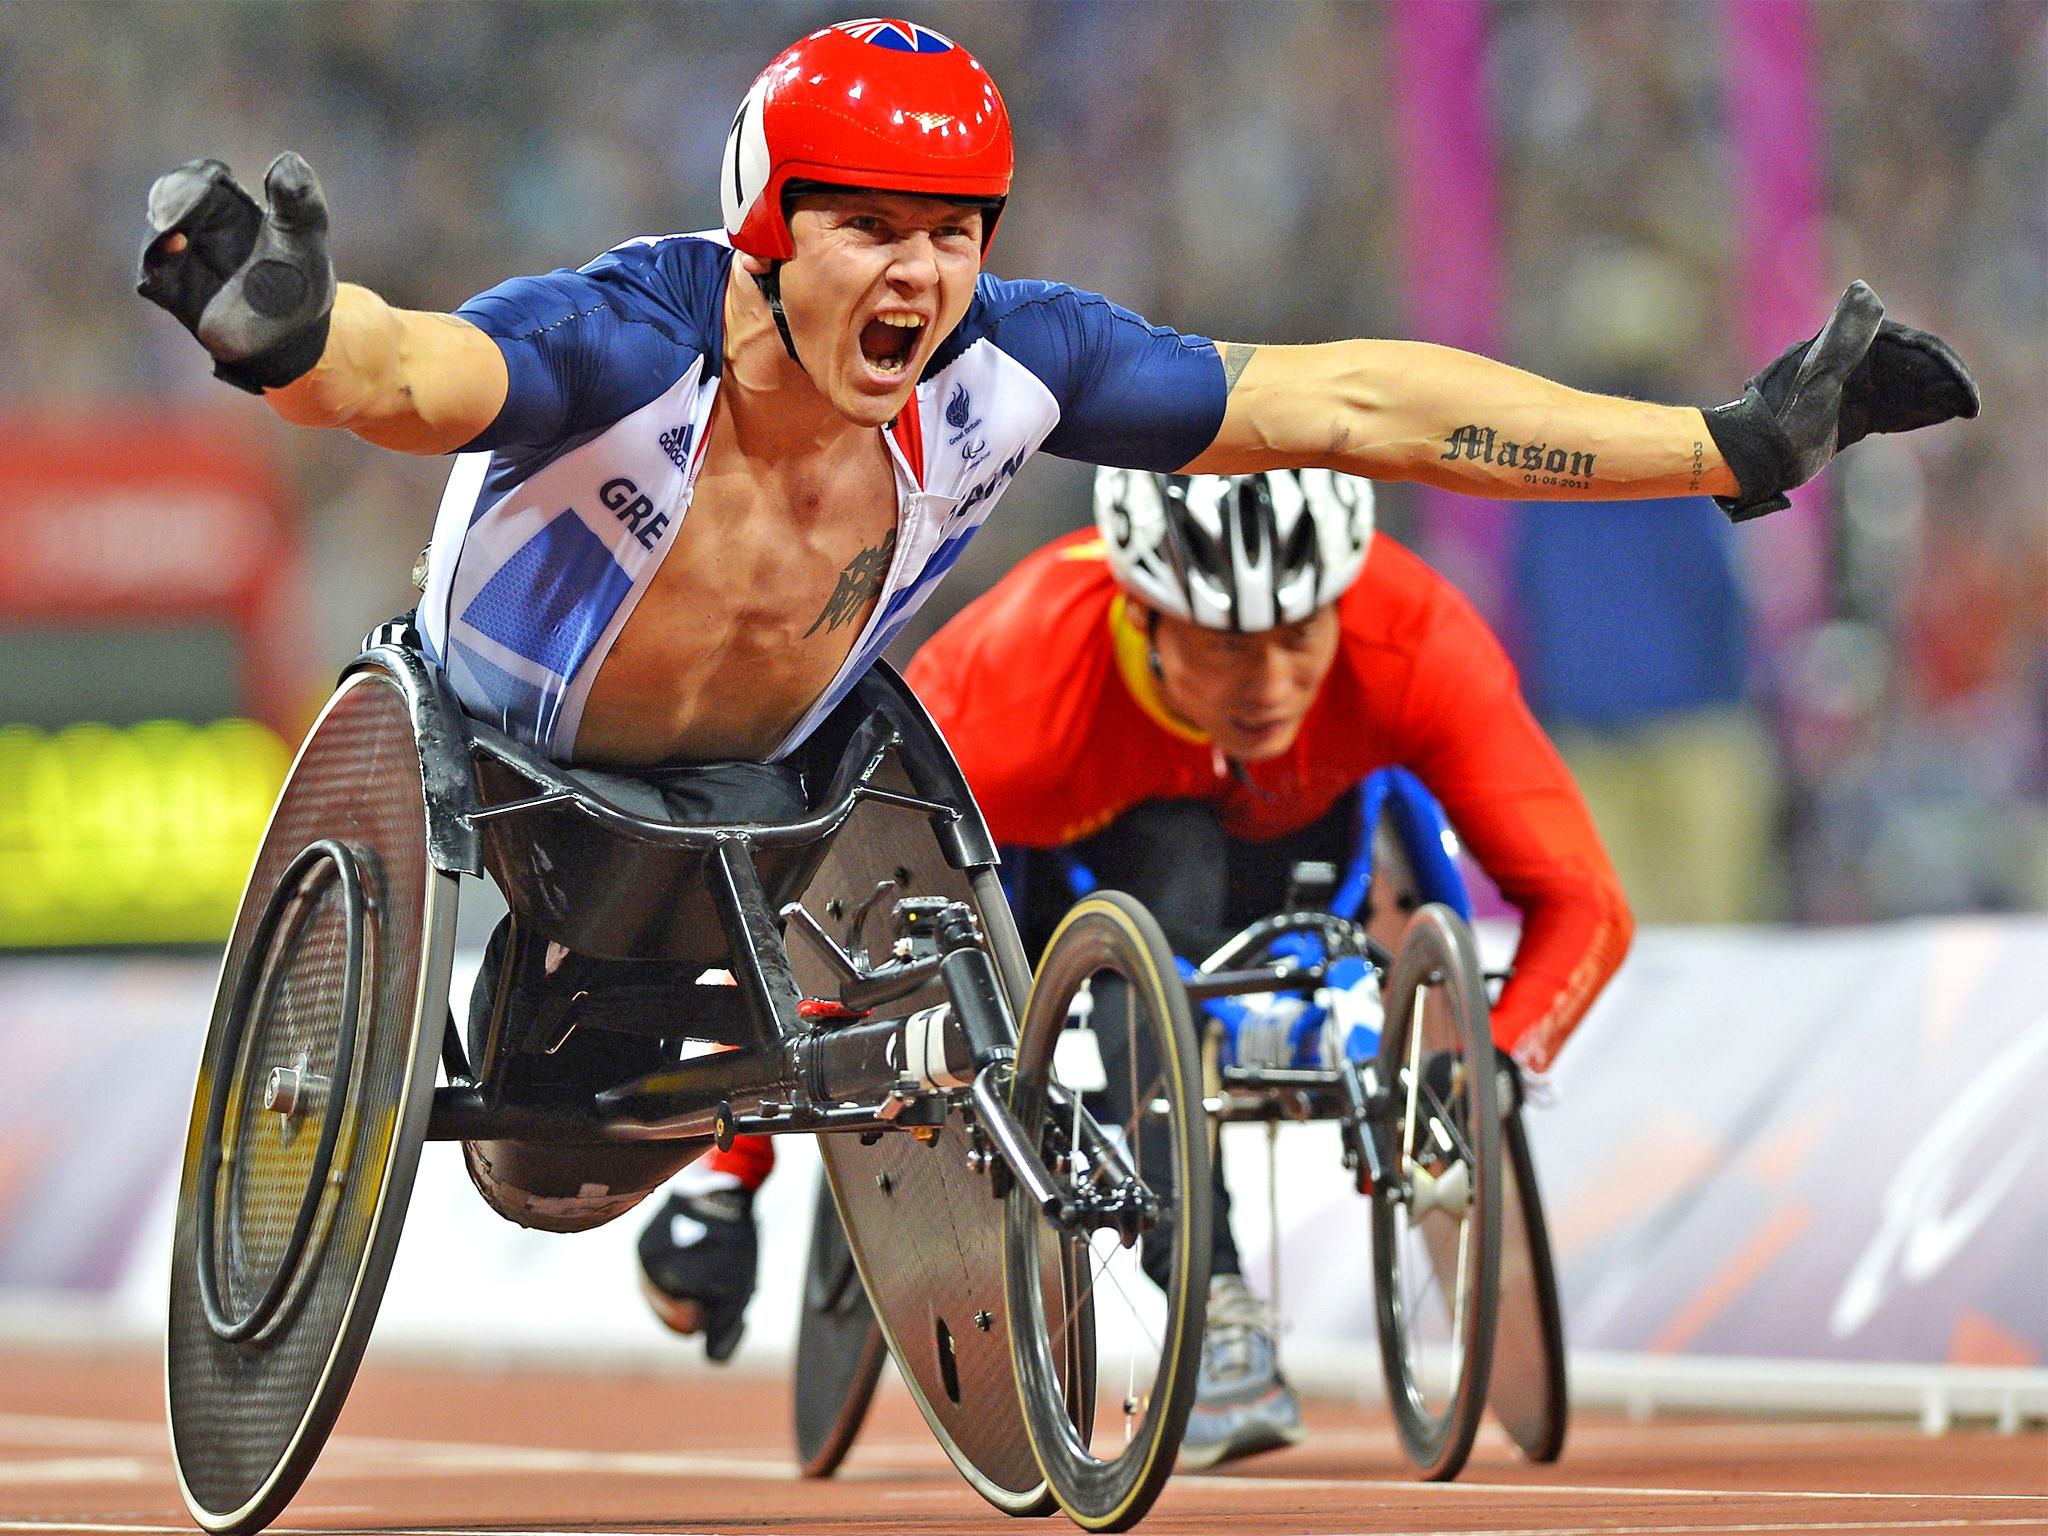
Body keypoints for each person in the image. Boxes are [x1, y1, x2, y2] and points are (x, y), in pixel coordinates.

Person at [137, 13, 1975, 1368]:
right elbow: (417, 374)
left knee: (663, 1085)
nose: (923, 276)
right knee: (542, 1152)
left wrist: (1724, 444)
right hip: (521, 772)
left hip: (761, 810)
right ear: (769, 226)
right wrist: (296, 339)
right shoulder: (627, 333)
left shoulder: (1014, 369)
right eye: (872, 227)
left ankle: (796, 1196)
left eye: (958, 231)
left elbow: (1356, 404)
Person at [688, 465, 1634, 1466]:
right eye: (1227, 647)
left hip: (1302, 844)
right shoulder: (1008, 689)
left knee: (1305, 834)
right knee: (1134, 952)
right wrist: (726, 1177)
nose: (1266, 684)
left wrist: (1483, 1063)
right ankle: (1213, 1297)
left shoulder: (1409, 641)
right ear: (1143, 616)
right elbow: (816, 914)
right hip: (1049, 864)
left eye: (1298, 636)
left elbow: (1585, 905)